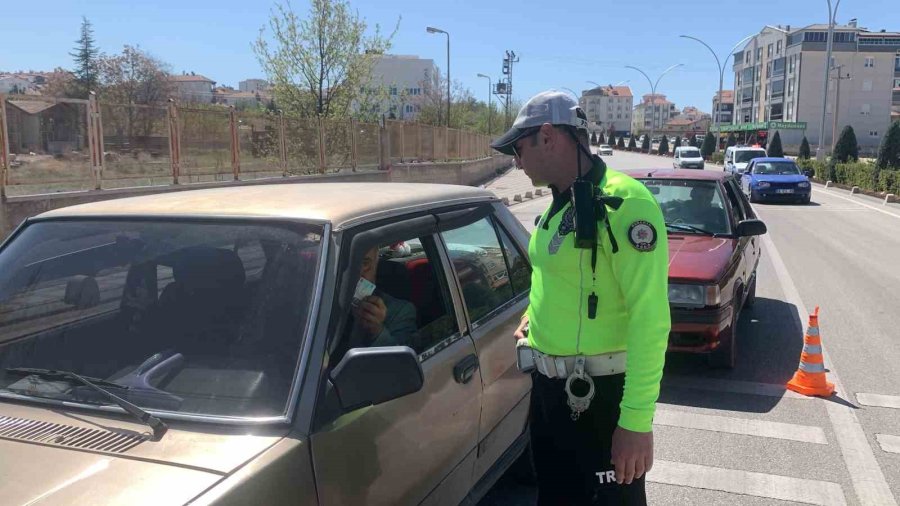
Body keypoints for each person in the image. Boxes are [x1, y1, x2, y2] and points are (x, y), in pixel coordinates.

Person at [491, 90, 670, 505]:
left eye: (520, 148)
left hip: (601, 398)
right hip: (551, 395)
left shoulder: (624, 204)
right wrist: (535, 318)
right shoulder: (559, 204)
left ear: (549, 136)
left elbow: (650, 319)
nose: (516, 161)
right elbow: (555, 278)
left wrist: (636, 422)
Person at [347, 246, 418, 349]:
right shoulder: (320, 300)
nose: (357, 274)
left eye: (365, 263)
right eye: (348, 265)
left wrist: (377, 331)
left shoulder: (401, 312)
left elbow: (400, 361)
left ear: (376, 264)